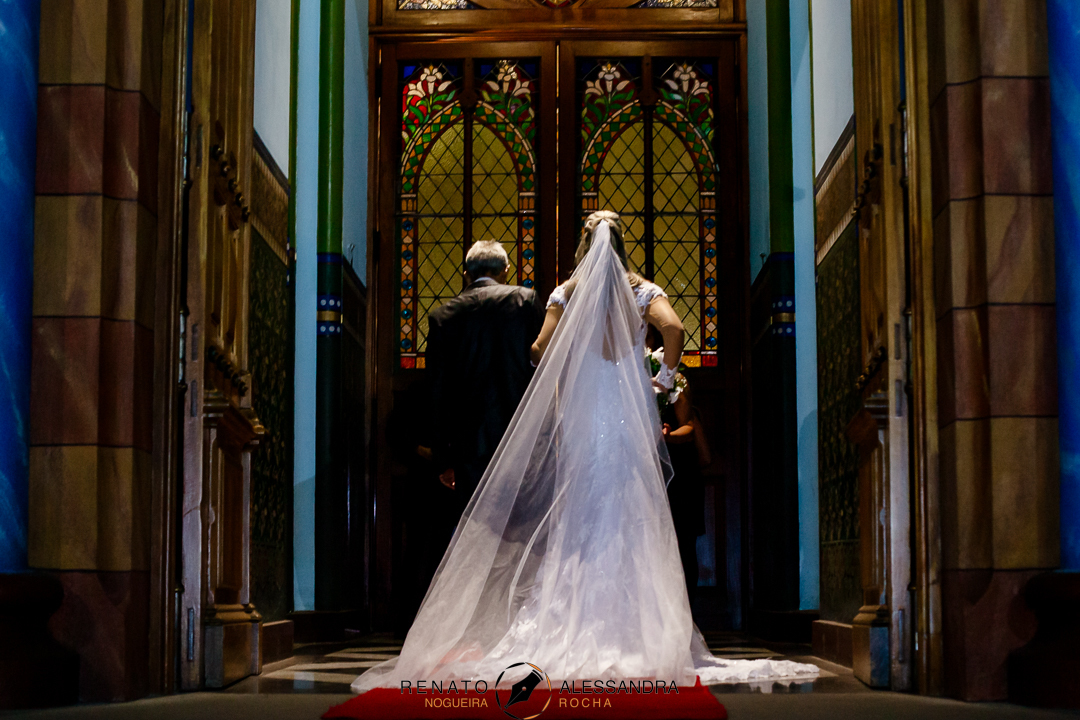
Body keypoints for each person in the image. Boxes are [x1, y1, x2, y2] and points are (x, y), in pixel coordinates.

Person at [352, 211, 818, 692]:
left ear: (583, 246)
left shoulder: (566, 292)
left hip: (581, 423)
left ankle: (572, 621)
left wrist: (567, 363)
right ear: (622, 244)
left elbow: (538, 350)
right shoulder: (643, 290)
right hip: (626, 424)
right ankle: (641, 631)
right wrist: (658, 377)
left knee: (578, 521)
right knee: (631, 517)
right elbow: (675, 330)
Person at [425, 240, 545, 508]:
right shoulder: (527, 301)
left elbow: (437, 391)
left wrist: (444, 459)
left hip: (469, 447)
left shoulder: (442, 317)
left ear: (466, 273)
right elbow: (546, 370)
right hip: (522, 438)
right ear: (506, 270)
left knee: (477, 530)